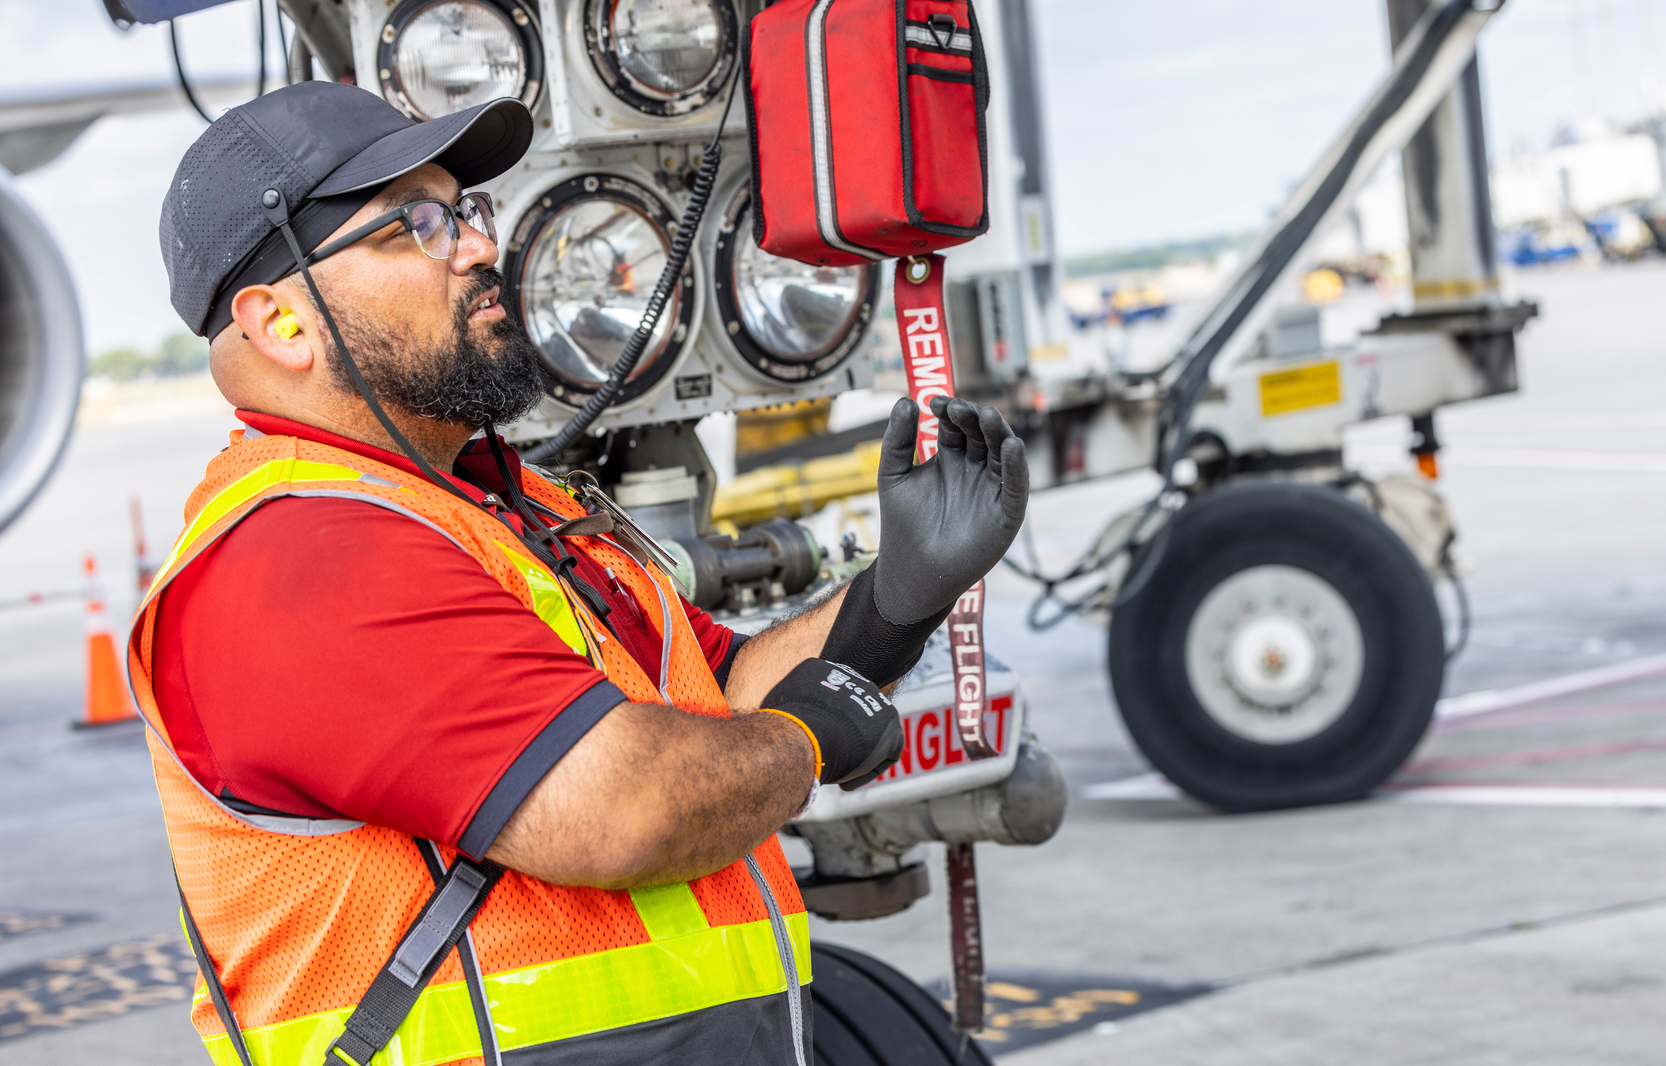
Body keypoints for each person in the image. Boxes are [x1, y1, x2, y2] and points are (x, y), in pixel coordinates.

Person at [132, 82, 1029, 1066]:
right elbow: (625, 809)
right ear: (280, 324)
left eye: (467, 212)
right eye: (413, 227)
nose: (481, 247)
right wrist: (810, 737)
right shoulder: (300, 557)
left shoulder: (502, 506)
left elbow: (720, 699)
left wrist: (898, 596)